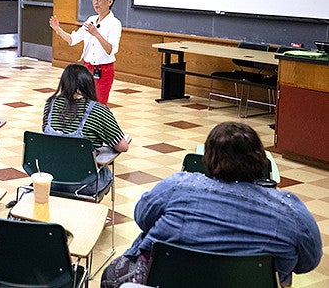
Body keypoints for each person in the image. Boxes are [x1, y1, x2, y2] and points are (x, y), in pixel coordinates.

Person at [102, 122, 322, 287]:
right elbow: (307, 263)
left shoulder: (178, 186)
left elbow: (143, 218)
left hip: (170, 281)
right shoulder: (291, 211)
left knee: (110, 274)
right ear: (261, 160)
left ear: (207, 160)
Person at [49, 0, 122, 105]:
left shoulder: (114, 23)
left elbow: (110, 50)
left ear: (110, 1)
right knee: (82, 102)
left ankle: (98, 124)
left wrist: (96, 34)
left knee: (98, 105)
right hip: (86, 69)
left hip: (103, 70)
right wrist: (58, 29)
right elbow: (72, 40)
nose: (96, 2)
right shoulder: (91, 20)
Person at [43, 64, 129, 152]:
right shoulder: (98, 110)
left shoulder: (50, 104)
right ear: (89, 83)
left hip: (49, 164)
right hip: (82, 165)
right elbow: (123, 147)